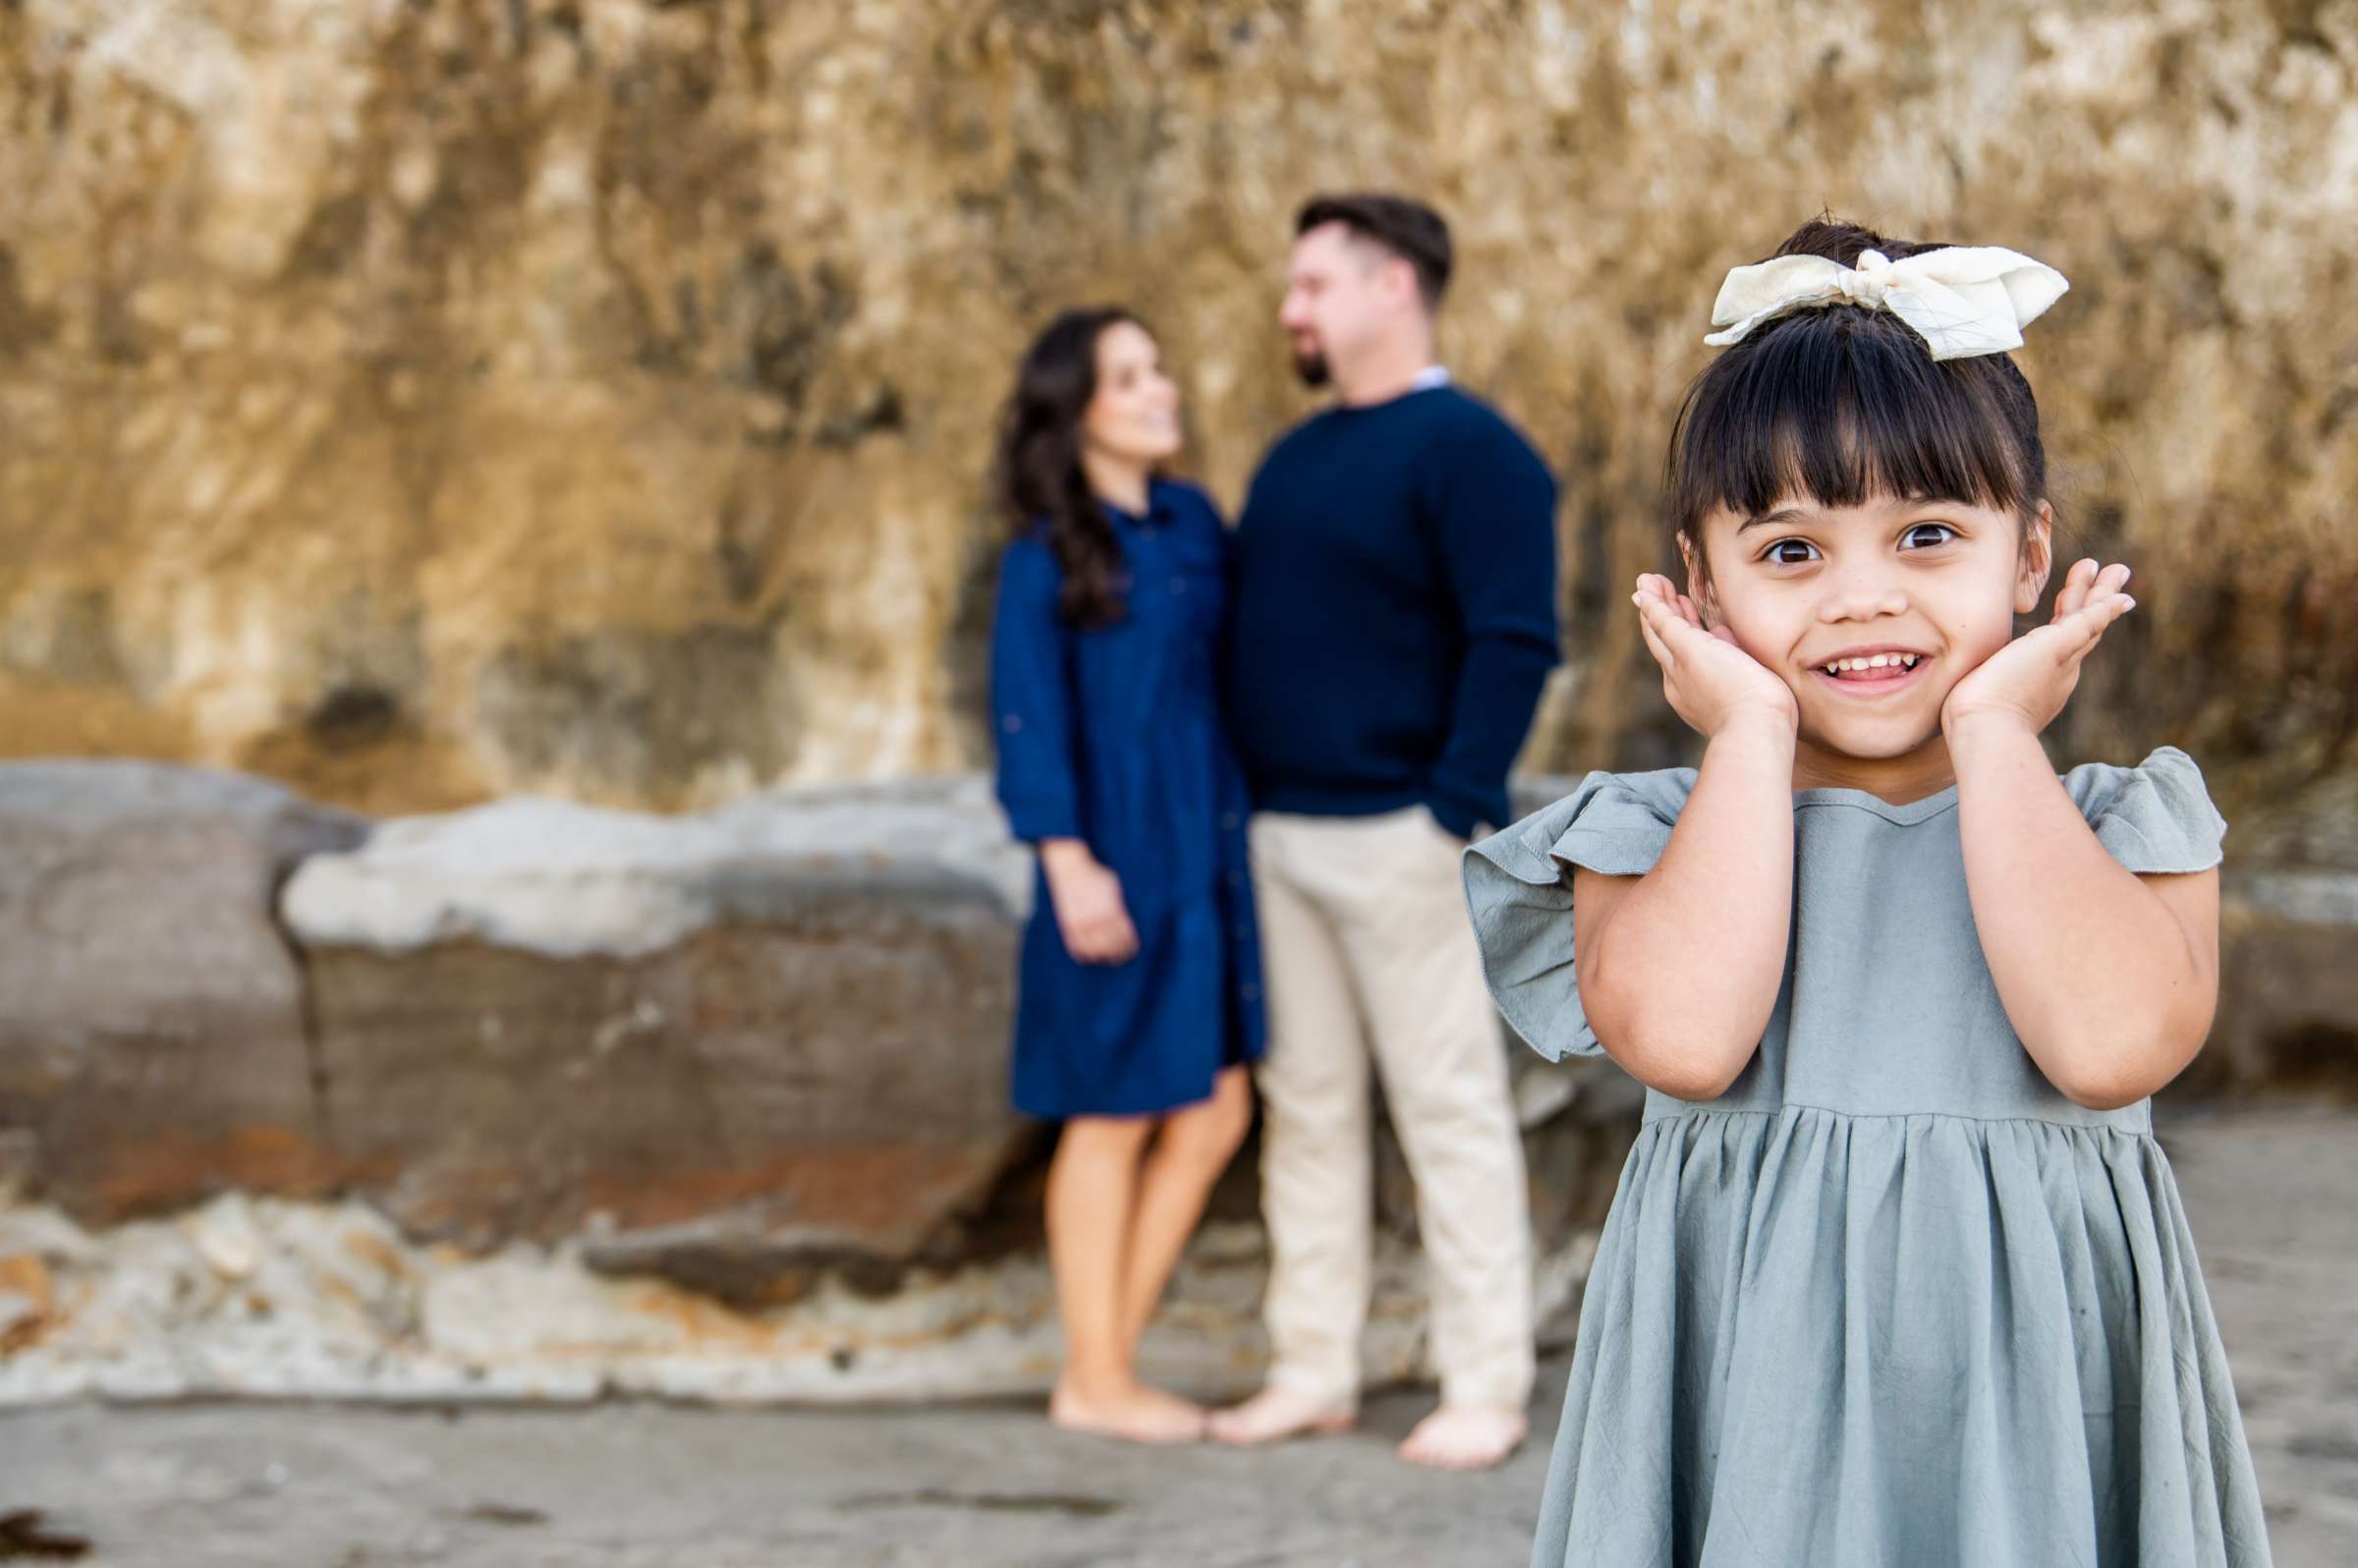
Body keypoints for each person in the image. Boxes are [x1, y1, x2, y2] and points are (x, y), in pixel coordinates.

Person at [1466, 218, 2273, 1564]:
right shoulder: (1653, 835)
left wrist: (1999, 735)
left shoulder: (2117, 827)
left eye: (1928, 535)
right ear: (1703, 587)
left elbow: (2111, 1046)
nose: (1860, 599)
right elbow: (1688, 1038)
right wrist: (1747, 739)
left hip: (2037, 1424)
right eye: (1790, 551)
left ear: (2029, 557)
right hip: (1754, 1423)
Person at [1210, 194, 1560, 1470]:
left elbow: (1516, 638)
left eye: (1313, 285)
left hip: (1402, 837)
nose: (1291, 310)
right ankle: (1313, 1366)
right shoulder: (1296, 459)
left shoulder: (1476, 453)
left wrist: (1450, 807)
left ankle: (1484, 1384)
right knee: (1303, 1108)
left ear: (1394, 285)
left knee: (1449, 1107)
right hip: (1281, 836)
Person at [988, 308, 1263, 1444]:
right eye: (1131, 376)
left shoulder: (1195, 523)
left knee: (1216, 1107)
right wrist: (1067, 863)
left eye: (1160, 368)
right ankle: (1099, 1378)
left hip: (1206, 849)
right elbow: (1025, 718)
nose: (1162, 390)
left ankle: (1100, 1369)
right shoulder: (1042, 554)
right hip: (1107, 857)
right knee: (1109, 1116)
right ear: (1078, 408)